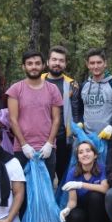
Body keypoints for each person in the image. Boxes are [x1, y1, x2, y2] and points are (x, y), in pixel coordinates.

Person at [6, 51, 62, 179]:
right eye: (29, 64)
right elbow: (13, 119)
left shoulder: (52, 89)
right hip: (22, 149)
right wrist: (24, 144)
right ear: (23, 67)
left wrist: (49, 143)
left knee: (47, 187)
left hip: (47, 149)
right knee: (23, 189)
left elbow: (56, 119)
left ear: (43, 66)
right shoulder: (15, 89)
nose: (33, 67)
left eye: (37, 63)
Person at [59, 141, 109, 222]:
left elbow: (105, 189)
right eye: (81, 152)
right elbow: (73, 201)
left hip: (101, 211)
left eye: (88, 151)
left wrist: (81, 184)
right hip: (83, 209)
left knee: (95, 196)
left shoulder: (102, 168)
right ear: (78, 157)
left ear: (95, 155)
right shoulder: (73, 172)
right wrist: (67, 209)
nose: (85, 154)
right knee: (73, 217)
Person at [42, 46, 80, 182]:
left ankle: (64, 202)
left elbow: (76, 111)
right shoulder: (38, 81)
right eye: (54, 59)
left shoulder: (72, 84)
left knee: (64, 174)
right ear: (47, 62)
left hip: (64, 138)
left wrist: (75, 133)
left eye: (61, 60)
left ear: (65, 63)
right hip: (41, 137)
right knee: (45, 176)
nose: (57, 63)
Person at [78, 48, 112, 148]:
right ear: (87, 64)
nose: (95, 66)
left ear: (105, 63)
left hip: (110, 138)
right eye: (92, 63)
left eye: (99, 62)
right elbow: (80, 109)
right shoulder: (83, 86)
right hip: (87, 138)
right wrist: (80, 124)